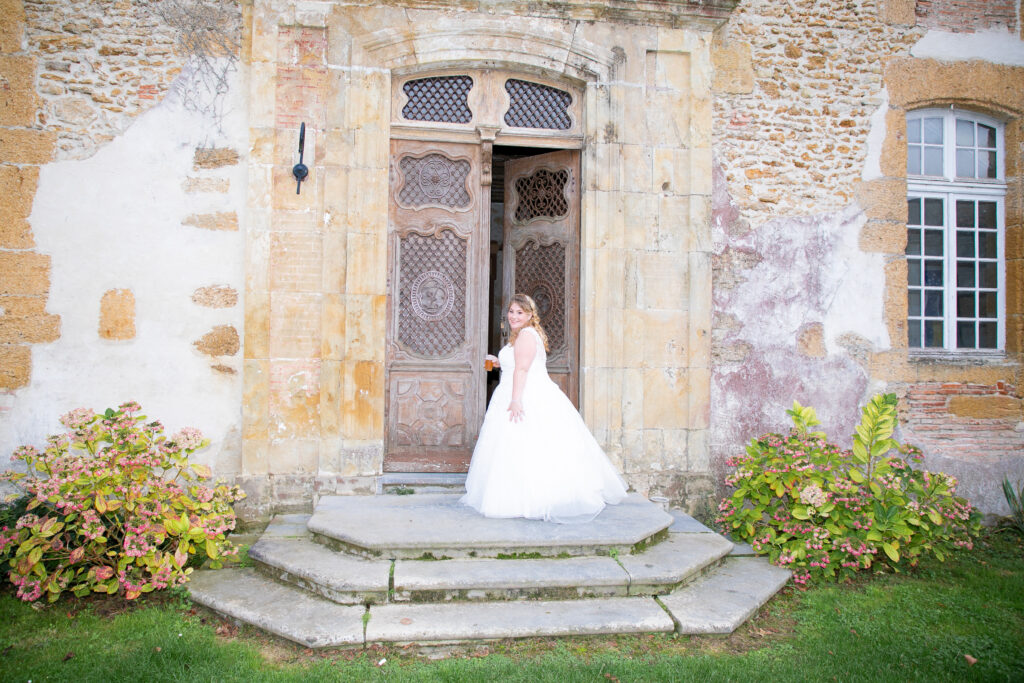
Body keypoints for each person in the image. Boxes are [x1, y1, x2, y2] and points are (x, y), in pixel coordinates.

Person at [460, 293, 628, 523]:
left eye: (520, 312)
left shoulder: (527, 335)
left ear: (530, 315)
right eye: (511, 311)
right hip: (517, 391)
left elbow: (522, 371)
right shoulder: (521, 335)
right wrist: (500, 362)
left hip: (525, 395)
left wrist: (516, 400)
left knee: (524, 445)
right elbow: (518, 363)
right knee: (518, 448)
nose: (514, 316)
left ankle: (528, 499)